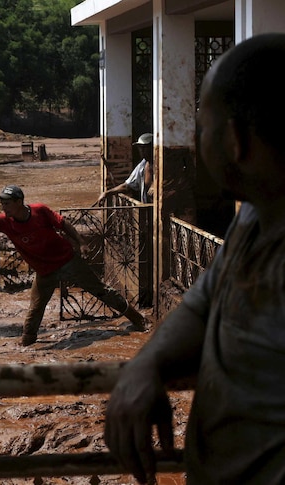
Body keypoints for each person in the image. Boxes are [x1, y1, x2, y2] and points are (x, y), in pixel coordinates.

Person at [104, 33, 285, 484]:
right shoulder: (255, 219)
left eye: (201, 126)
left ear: (237, 140)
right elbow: (205, 301)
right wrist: (148, 363)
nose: (194, 139)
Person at [0, 184, 148, 346]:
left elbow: (63, 223)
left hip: (67, 260)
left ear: (19, 201)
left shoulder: (40, 211)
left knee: (102, 291)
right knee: (36, 308)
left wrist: (81, 243)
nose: (3, 207)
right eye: (1, 203)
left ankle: (138, 320)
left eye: (6, 203)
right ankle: (26, 344)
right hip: (44, 271)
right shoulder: (2, 222)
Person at [94, 133, 154, 205]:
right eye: (140, 147)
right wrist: (107, 193)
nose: (141, 150)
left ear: (153, 147)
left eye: (144, 147)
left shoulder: (165, 165)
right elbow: (128, 185)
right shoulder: (142, 166)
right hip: (148, 208)